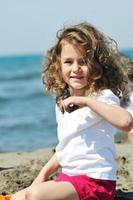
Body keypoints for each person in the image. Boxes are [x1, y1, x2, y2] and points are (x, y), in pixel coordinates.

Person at [11, 22, 133, 200]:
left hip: (96, 182)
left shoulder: (101, 96)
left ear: (96, 65)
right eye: (69, 62)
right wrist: (42, 176)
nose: (76, 68)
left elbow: (126, 121)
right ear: (58, 67)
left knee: (35, 195)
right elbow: (65, 149)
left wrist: (85, 101)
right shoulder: (62, 104)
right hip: (69, 178)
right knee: (17, 197)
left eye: (83, 62)